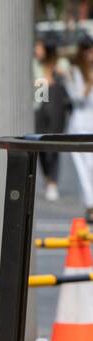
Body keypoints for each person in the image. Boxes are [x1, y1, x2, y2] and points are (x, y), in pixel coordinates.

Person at [35, 40, 71, 202]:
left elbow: (68, 78)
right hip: (40, 108)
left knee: (53, 144)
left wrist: (57, 74)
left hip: (56, 108)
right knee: (40, 145)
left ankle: (52, 182)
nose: (37, 50)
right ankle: (48, 178)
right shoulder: (35, 65)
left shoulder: (60, 64)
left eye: (40, 47)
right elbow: (38, 94)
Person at [66, 39, 93, 223]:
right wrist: (89, 83)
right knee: (84, 168)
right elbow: (77, 97)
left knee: (92, 167)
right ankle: (90, 205)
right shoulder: (74, 72)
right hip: (79, 124)